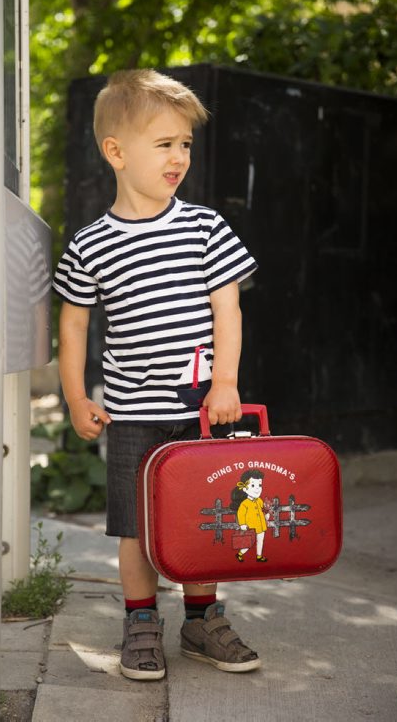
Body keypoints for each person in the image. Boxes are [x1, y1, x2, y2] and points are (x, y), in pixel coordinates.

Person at [53, 68, 261, 681]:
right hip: (132, 413)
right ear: (115, 151)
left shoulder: (205, 228)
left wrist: (226, 382)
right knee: (134, 527)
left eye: (185, 145)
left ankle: (202, 619)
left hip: (201, 406)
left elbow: (229, 306)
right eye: (164, 143)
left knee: (205, 517)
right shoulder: (91, 244)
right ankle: (141, 622)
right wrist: (73, 397)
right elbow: (73, 327)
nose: (179, 157)